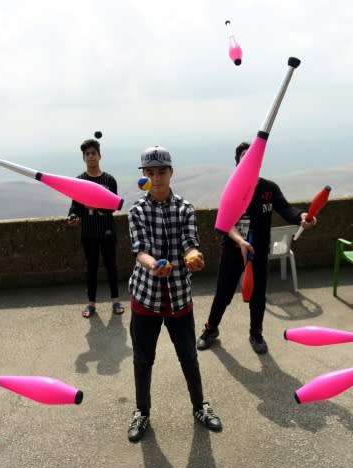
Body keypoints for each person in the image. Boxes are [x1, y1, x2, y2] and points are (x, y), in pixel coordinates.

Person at [125, 145, 222, 442]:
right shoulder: (137, 211)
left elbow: (189, 243)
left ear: (171, 172)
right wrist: (154, 265)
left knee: (188, 356)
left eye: (162, 172)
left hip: (179, 295)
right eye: (150, 173)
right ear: (144, 175)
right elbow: (139, 250)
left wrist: (195, 255)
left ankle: (199, 406)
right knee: (143, 359)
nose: (156, 178)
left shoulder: (185, 208)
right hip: (146, 297)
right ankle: (142, 412)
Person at [197, 142, 315, 354]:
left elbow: (288, 210)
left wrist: (302, 217)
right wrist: (240, 241)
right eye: (244, 158)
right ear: (238, 163)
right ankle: (210, 329)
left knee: (258, 294)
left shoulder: (269, 189)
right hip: (233, 249)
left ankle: (256, 333)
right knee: (223, 293)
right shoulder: (233, 188)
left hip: (259, 251)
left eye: (253, 158)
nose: (249, 161)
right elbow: (225, 223)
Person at [67, 138, 124, 318]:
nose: (91, 156)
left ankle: (115, 301)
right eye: (87, 154)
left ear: (99, 156)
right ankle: (91, 304)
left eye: (94, 153)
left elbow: (114, 206)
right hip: (88, 232)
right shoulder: (79, 181)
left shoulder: (109, 180)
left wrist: (96, 206)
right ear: (84, 158)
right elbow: (75, 206)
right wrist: (73, 217)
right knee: (91, 268)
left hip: (107, 230)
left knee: (111, 266)